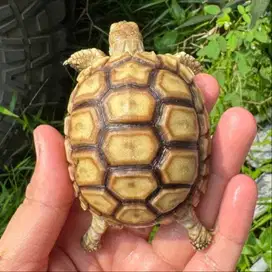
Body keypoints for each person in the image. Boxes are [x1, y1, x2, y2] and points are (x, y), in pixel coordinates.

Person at [0, 74, 257, 271]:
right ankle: (191, 224)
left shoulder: (94, 73)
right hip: (172, 198)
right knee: (185, 210)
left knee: (100, 221)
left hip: (106, 201)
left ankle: (96, 228)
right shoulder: (167, 71)